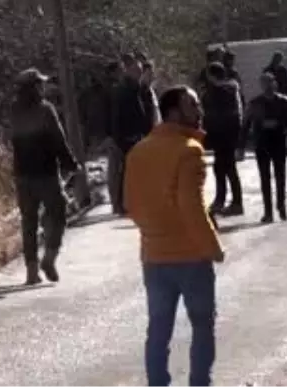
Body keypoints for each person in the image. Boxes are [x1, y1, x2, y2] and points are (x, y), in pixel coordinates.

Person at [125, 86, 224, 387]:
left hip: (153, 256)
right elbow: (192, 207)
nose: (199, 111)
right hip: (191, 255)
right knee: (202, 326)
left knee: (158, 330)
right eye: (192, 105)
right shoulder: (189, 151)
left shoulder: (139, 150)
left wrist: (154, 232)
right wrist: (213, 247)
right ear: (173, 112)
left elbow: (130, 204)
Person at [9, 68, 78, 285]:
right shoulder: (45, 110)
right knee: (58, 214)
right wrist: (71, 164)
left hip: (22, 175)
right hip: (46, 174)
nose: (44, 87)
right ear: (35, 88)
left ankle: (31, 270)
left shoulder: (13, 111)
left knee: (28, 221)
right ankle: (49, 258)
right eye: (41, 84)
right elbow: (58, 140)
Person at [245, 72, 287, 223]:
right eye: (264, 83)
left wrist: (285, 132)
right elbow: (246, 124)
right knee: (264, 178)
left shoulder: (283, 102)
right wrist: (241, 145)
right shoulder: (255, 103)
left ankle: (281, 206)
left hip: (278, 143)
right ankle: (268, 211)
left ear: (274, 84)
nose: (267, 86)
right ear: (261, 85)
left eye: (270, 82)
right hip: (262, 144)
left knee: (280, 177)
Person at [111, 54, 155, 215]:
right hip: (128, 137)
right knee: (128, 171)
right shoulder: (123, 90)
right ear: (128, 70)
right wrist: (119, 138)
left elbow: (145, 111)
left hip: (139, 135)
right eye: (136, 69)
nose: (139, 72)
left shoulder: (137, 89)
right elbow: (118, 116)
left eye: (140, 69)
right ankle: (123, 204)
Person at [201, 62, 244, 216]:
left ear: (211, 76)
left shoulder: (216, 92)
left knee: (224, 168)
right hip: (231, 134)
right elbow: (238, 114)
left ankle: (226, 202)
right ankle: (231, 202)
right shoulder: (233, 89)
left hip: (221, 135)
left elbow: (209, 114)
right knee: (226, 168)